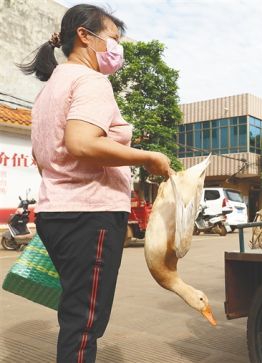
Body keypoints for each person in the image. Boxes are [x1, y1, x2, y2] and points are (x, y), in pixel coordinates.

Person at [20, 4, 173, 362]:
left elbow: (43, 161)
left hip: (56, 214)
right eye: (113, 39)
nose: (118, 49)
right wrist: (148, 156)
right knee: (84, 324)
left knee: (75, 314)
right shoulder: (90, 80)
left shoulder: (49, 89)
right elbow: (82, 143)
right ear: (85, 36)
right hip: (89, 216)